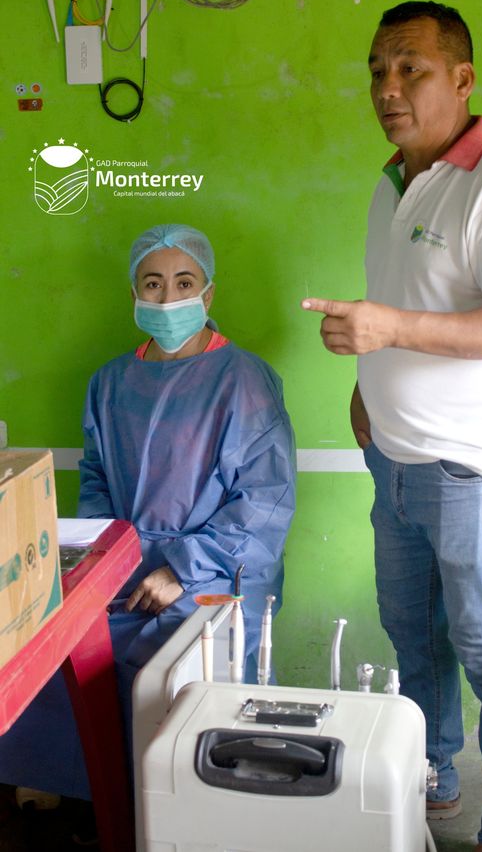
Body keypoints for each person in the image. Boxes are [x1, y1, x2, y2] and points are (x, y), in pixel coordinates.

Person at [302, 1, 482, 852]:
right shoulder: (392, 183)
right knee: (415, 637)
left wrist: (388, 332)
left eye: (410, 67)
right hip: (395, 465)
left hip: (475, 472)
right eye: (378, 69)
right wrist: (368, 388)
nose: (388, 86)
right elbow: (404, 302)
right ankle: (433, 770)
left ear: (463, 78)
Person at [0, 223, 296, 804]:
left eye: (184, 282)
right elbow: (97, 478)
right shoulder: (110, 383)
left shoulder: (244, 381)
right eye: (153, 283)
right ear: (134, 294)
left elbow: (264, 501)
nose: (167, 297)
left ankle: (165, 811)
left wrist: (181, 569)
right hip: (125, 566)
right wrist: (102, 562)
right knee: (54, 648)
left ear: (208, 293)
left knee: (166, 683)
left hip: (216, 573)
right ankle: (97, 796)